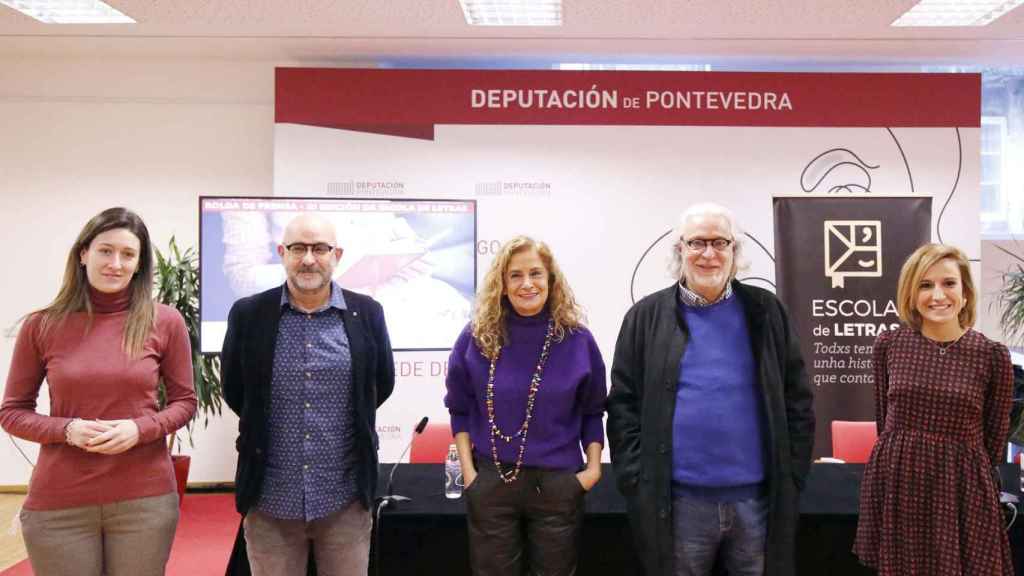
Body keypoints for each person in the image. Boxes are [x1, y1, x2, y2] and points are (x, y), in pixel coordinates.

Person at [607, 202, 815, 576]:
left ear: (734, 250)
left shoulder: (767, 312)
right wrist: (636, 478)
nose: (708, 254)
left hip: (757, 503)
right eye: (697, 243)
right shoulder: (645, 317)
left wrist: (793, 473)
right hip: (678, 505)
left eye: (720, 242)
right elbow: (623, 404)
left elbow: (797, 398)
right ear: (680, 249)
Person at [0, 207, 196, 576]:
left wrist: (139, 429)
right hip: (59, 503)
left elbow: (185, 403)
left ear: (139, 264)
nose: (115, 264)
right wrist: (67, 430)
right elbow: (12, 412)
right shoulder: (42, 325)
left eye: (128, 254)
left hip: (145, 500)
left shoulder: (166, 321)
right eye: (106, 251)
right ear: (83, 254)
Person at [222, 213, 395, 576]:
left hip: (345, 498)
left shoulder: (368, 313)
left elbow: (380, 384)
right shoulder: (248, 314)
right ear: (282, 253)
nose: (308, 259)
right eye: (298, 248)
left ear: (337, 255)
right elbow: (236, 390)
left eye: (320, 248)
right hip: (270, 498)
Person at [444, 235, 607, 576]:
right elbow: (459, 408)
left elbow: (593, 411)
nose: (527, 284)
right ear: (502, 285)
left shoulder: (577, 340)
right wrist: (470, 475)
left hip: (559, 484)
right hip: (491, 482)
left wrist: (592, 471)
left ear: (551, 280)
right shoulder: (476, 337)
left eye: (535, 273)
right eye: (515, 275)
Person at [854, 243, 1013, 575]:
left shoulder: (992, 355)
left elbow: (994, 440)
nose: (938, 295)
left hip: (961, 489)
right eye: (925, 285)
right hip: (899, 482)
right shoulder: (889, 345)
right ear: (911, 294)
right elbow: (885, 422)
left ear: (965, 292)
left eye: (948, 283)